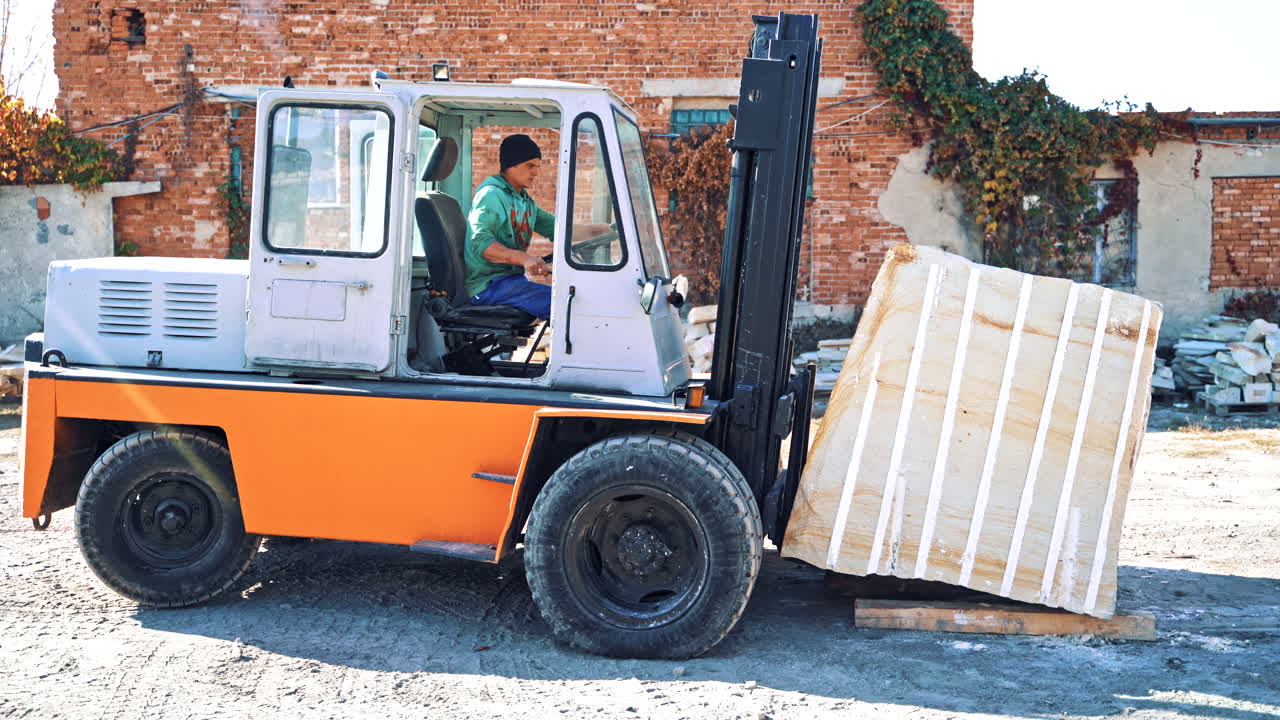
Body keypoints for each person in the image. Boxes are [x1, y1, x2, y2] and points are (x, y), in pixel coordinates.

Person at [464, 134, 556, 320]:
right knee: (565, 306)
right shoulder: (491, 195)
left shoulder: (524, 202)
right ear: (511, 164)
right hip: (487, 286)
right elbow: (481, 244)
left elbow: (562, 230)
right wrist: (525, 259)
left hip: (511, 283)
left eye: (537, 167)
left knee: (569, 299)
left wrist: (606, 230)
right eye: (530, 166)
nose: (536, 173)